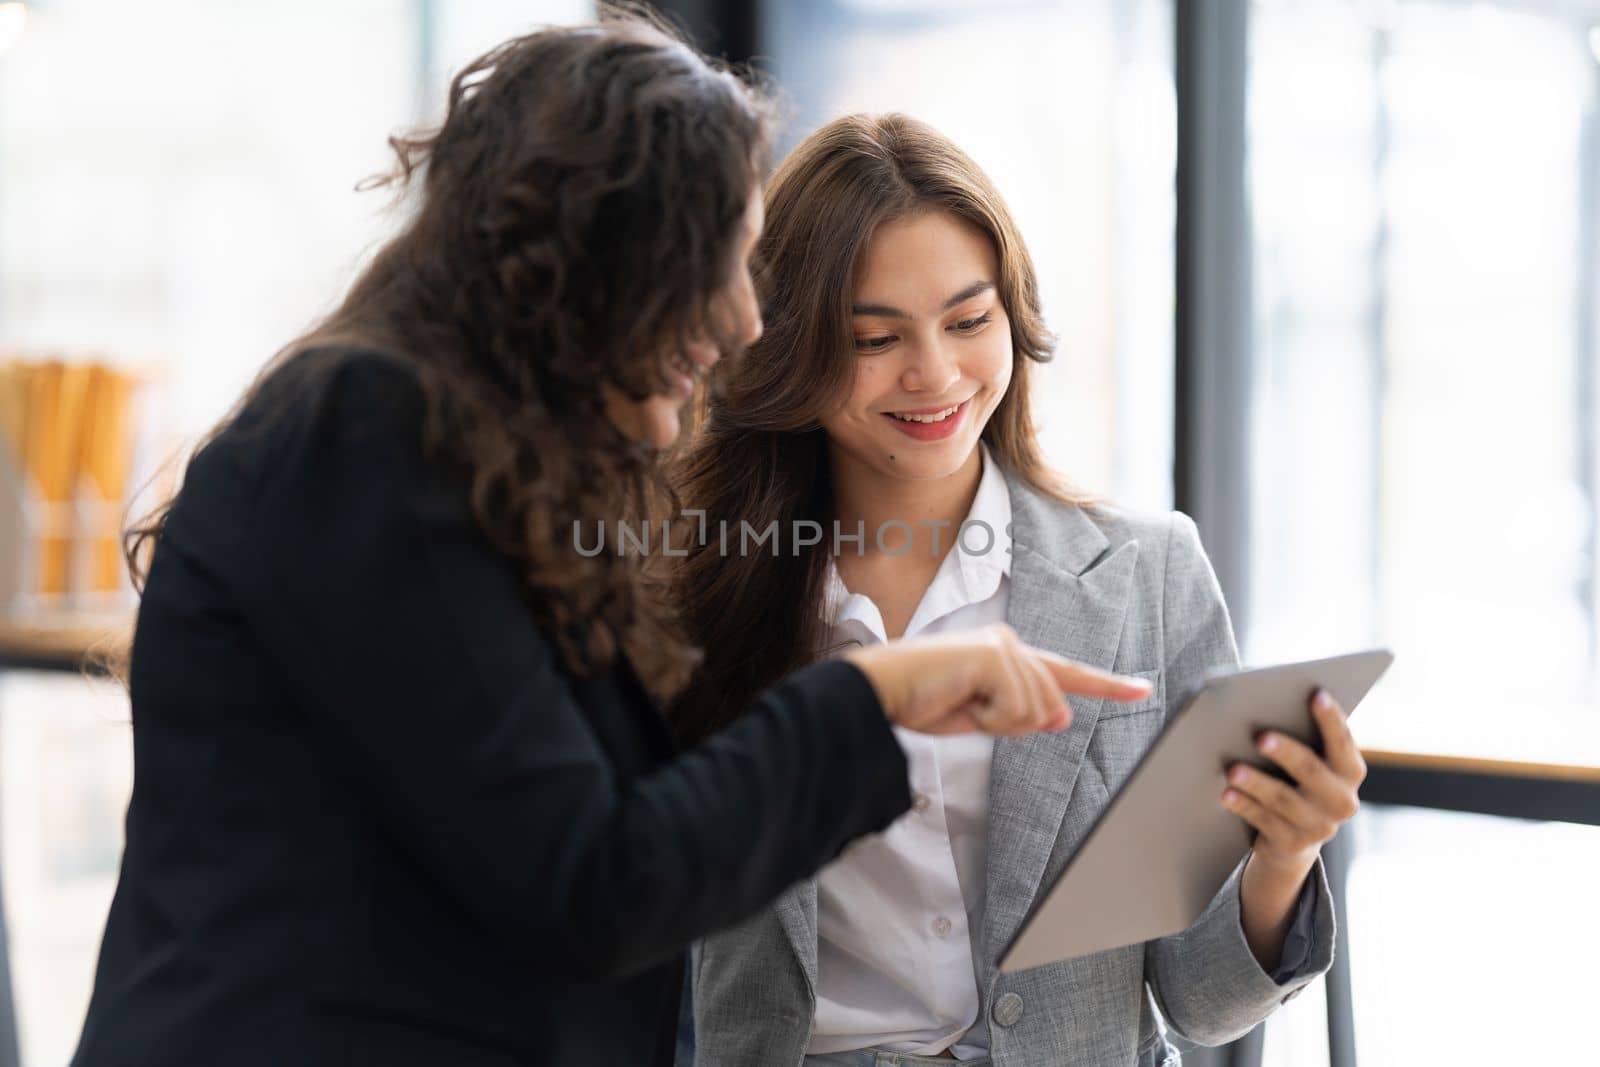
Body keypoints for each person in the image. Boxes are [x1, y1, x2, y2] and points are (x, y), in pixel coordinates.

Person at [66, 19, 1154, 1067]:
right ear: (587, 266)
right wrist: (874, 697)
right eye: (718, 269)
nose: (743, 325)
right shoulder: (365, 434)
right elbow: (590, 881)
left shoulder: (493, 477)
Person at [675, 114, 1364, 1066]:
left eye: (969, 320)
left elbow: (1201, 1004)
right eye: (874, 337)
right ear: (788, 347)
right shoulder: (708, 585)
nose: (936, 373)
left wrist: (1283, 855)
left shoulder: (1145, 577)